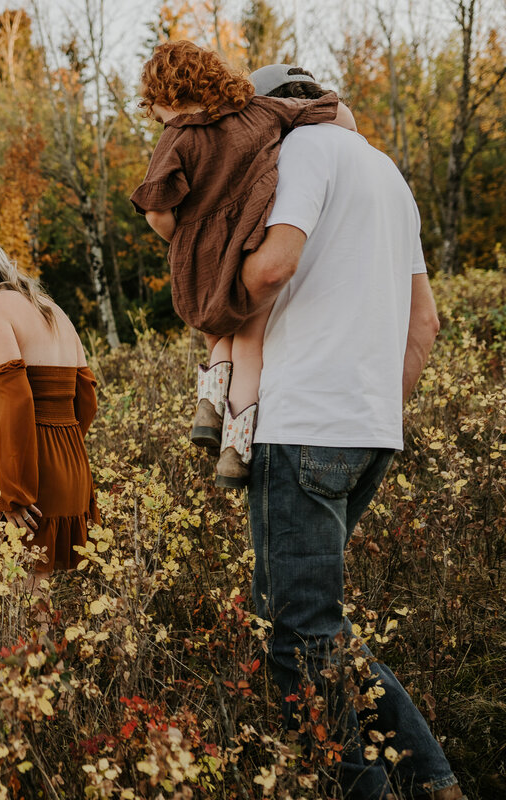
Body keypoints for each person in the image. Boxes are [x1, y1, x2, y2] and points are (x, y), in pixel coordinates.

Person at [241, 63, 462, 800]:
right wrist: (376, 419)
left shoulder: (300, 153)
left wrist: (207, 284)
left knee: (299, 640)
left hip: (304, 421)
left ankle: (399, 787)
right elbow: (424, 323)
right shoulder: (388, 176)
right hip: (367, 431)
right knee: (314, 631)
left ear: (274, 113)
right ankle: (421, 783)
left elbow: (271, 270)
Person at [129, 41, 356, 488]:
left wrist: (186, 243)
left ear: (168, 99)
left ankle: (209, 406)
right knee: (250, 341)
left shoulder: (175, 138)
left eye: (154, 111)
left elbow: (157, 211)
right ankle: (235, 452)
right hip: (254, 240)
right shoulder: (260, 111)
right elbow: (339, 114)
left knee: (217, 331)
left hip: (204, 256)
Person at [0, 232, 98, 576]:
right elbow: (86, 399)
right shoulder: (52, 309)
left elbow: (16, 403)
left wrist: (12, 492)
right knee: (65, 598)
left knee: (25, 601)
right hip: (72, 465)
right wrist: (63, 450)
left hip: (28, 475)